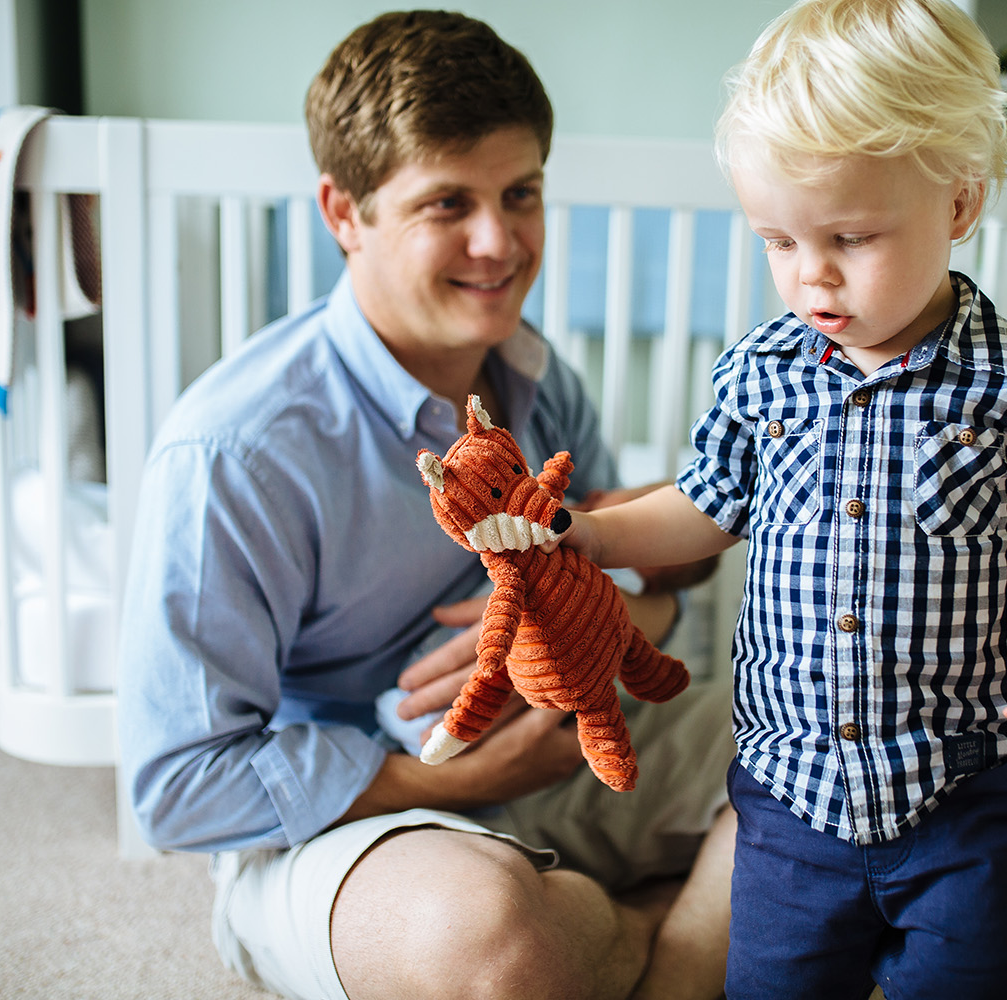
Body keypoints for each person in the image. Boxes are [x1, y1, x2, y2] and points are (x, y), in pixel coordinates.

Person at [115, 11, 735, 1000]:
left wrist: (614, 619)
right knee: (484, 943)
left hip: (574, 739)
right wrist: (462, 783)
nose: (499, 244)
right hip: (358, 817)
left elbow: (626, 577)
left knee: (846, 757)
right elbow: (177, 787)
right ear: (343, 212)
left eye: (520, 193)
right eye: (448, 202)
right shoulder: (236, 449)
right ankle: (641, 922)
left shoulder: (536, 377)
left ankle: (673, 957)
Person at [543, 1, 1007, 996]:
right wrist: (596, 532)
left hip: (962, 786)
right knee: (776, 979)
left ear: (957, 204)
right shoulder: (759, 372)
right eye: (778, 241)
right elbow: (704, 503)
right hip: (790, 792)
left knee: (971, 978)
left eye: (851, 236)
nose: (811, 274)